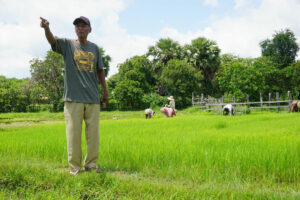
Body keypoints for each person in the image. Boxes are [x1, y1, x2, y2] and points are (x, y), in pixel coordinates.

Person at [40, 16, 108, 176]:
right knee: (73, 136)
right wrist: (46, 29)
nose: (80, 28)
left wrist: (105, 92)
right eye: (77, 26)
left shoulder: (95, 48)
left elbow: (100, 70)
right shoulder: (68, 45)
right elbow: (52, 41)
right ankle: (75, 168)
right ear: (75, 29)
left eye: (83, 26)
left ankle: (91, 165)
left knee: (93, 136)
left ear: (89, 29)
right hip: (72, 99)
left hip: (92, 99)